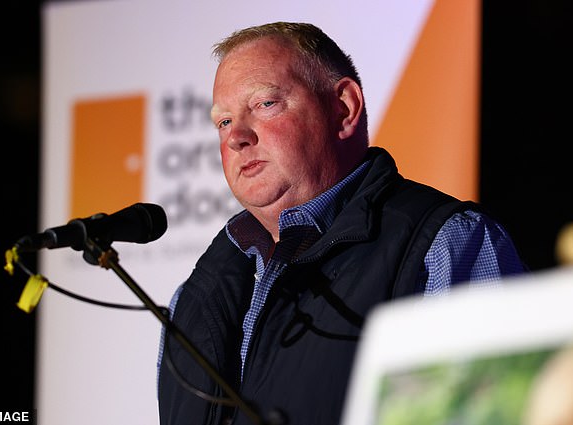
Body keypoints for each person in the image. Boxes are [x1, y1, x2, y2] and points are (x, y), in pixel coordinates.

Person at [157, 21, 527, 425]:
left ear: (344, 108)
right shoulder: (193, 298)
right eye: (223, 122)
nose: (236, 137)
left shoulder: (448, 244)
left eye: (265, 104)